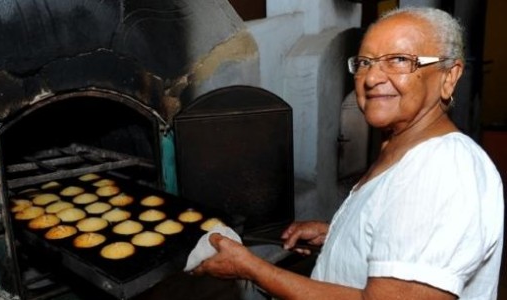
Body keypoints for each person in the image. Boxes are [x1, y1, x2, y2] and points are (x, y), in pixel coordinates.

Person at [192, 6, 505, 300]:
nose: (371, 78)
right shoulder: (405, 147)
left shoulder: (443, 170)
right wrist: (340, 237)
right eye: (365, 62)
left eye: (398, 60)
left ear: (449, 76)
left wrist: (252, 268)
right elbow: (403, 238)